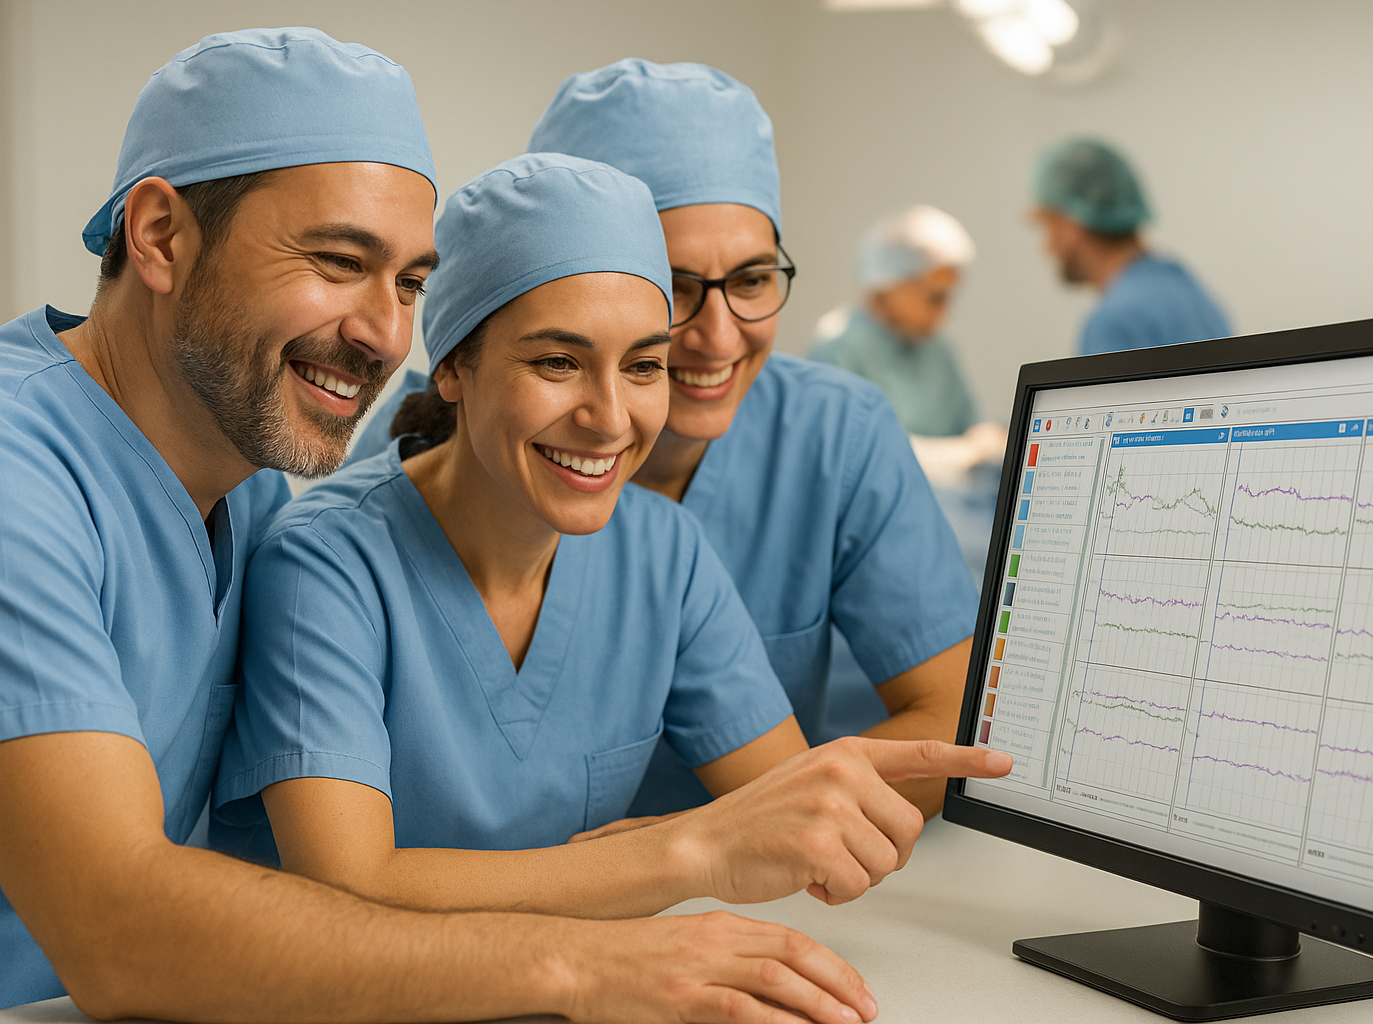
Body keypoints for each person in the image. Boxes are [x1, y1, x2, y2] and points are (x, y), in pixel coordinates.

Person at [0, 29, 1000, 1023]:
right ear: (162, 235)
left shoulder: (246, 481)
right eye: (338, 260)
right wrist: (594, 952)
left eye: (406, 283)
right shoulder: (37, 475)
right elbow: (124, 925)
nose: (384, 334)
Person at [211, 152, 1007, 920]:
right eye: (558, 362)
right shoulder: (324, 562)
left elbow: (791, 814)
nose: (611, 420)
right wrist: (681, 850)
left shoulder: (665, 555)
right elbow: (349, 889)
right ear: (452, 367)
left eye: (643, 366)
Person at [353, 60, 980, 820]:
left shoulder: (829, 439)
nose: (718, 337)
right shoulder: (411, 479)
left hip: (730, 897)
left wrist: (751, 839)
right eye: (674, 289)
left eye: (751, 280)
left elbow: (956, 723)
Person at [1030, 137, 1231, 356]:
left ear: (1072, 225)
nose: (1044, 248)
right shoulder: (1189, 291)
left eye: (1046, 226)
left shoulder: (1113, 322)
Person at [808, 205, 979, 437]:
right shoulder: (838, 350)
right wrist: (955, 456)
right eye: (936, 298)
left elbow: (970, 426)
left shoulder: (938, 351)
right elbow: (850, 452)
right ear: (891, 284)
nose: (945, 313)